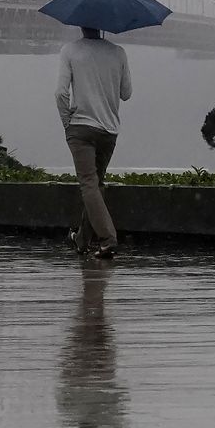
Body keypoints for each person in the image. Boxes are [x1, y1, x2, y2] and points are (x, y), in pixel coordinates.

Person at [56, 25, 131, 258]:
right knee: (96, 184)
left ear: (80, 24)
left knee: (88, 183)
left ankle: (108, 239)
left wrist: (66, 121)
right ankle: (82, 239)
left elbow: (61, 93)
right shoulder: (118, 52)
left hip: (81, 127)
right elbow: (126, 93)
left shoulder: (70, 50)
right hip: (109, 130)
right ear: (102, 25)